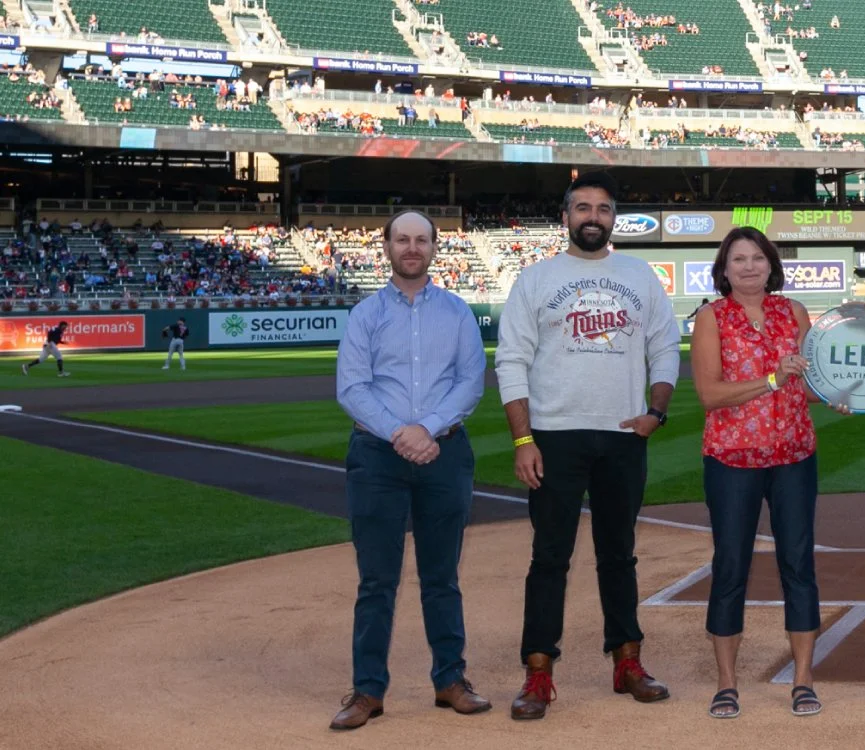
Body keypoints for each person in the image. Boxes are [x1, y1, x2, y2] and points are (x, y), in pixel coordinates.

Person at [495, 171, 682, 721]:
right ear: (566, 217)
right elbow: (511, 361)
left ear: (613, 218)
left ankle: (628, 661)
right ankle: (537, 672)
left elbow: (664, 348)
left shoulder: (640, 275)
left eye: (602, 208)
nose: (592, 217)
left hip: (624, 434)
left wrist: (656, 412)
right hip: (554, 435)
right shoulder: (535, 279)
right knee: (549, 557)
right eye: (582, 208)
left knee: (618, 554)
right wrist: (523, 438)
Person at [329, 210, 490, 731]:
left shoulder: (458, 312)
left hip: (444, 452)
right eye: (403, 239)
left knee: (442, 578)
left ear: (435, 248)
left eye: (422, 239)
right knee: (376, 580)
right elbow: (351, 386)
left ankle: (450, 681)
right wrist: (402, 432)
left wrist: (428, 428)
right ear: (387, 247)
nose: (412, 247)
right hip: (377, 455)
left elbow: (471, 381)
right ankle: (368, 691)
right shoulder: (366, 314)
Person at [690, 227, 821, 719]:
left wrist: (846, 392)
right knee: (730, 569)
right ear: (724, 269)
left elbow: (810, 386)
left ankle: (803, 680)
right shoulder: (711, 317)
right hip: (732, 459)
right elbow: (710, 393)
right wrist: (772, 378)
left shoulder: (794, 313)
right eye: (738, 259)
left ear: (771, 264)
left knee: (799, 566)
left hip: (793, 455)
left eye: (757, 257)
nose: (748, 266)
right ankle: (727, 684)